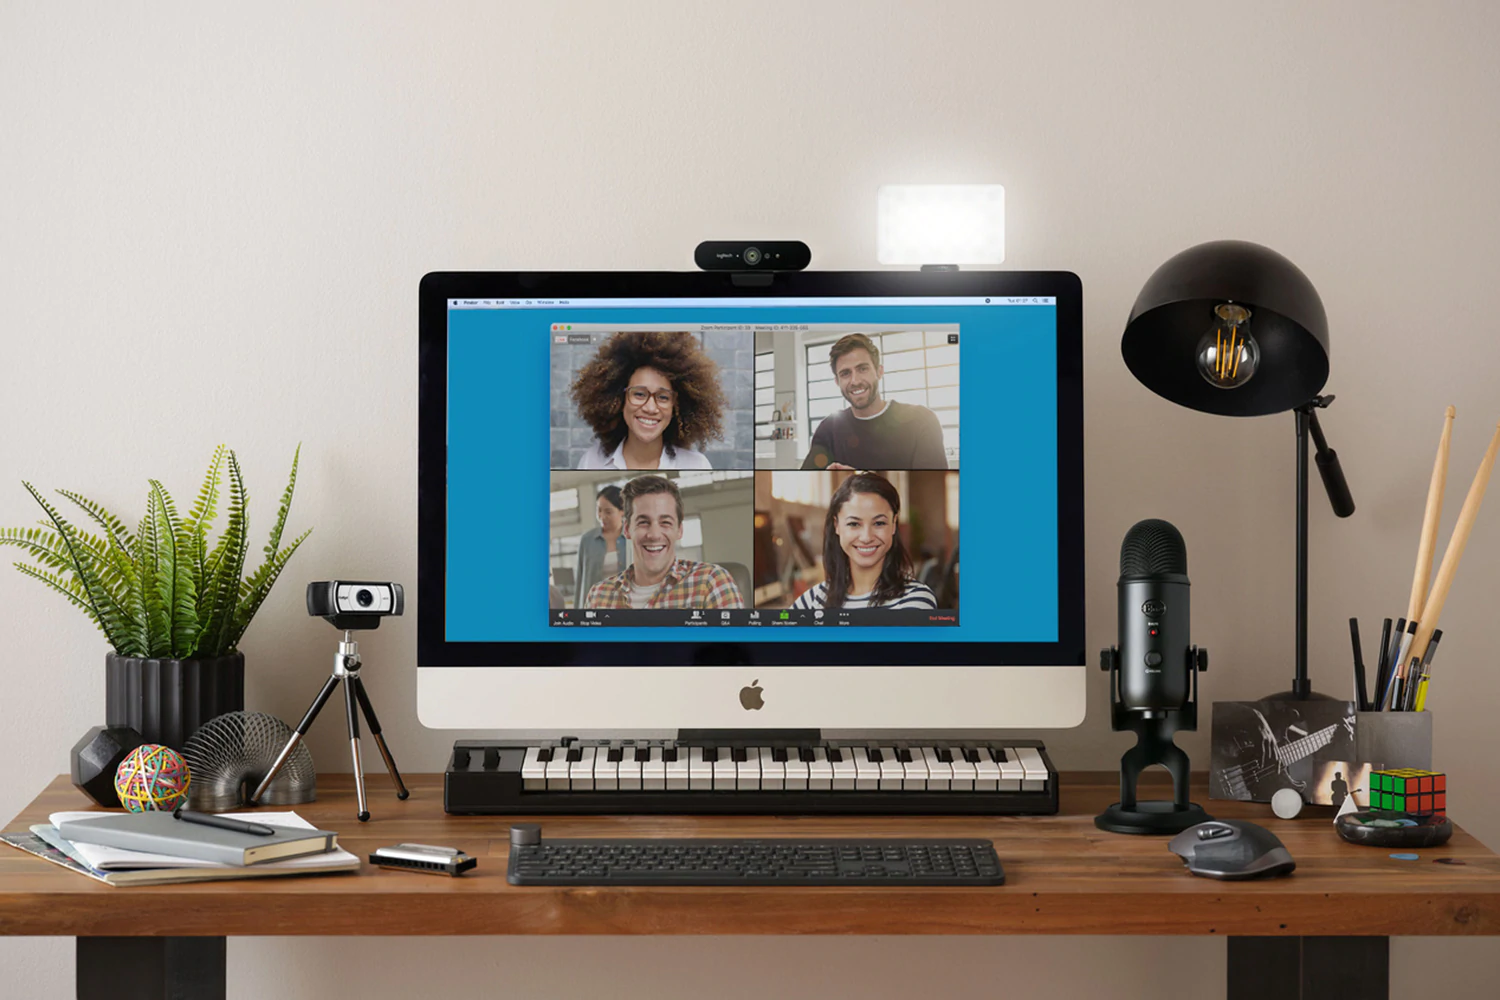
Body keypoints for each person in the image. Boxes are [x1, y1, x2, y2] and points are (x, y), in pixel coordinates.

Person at [584, 475, 744, 610]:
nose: (654, 535)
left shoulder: (711, 582)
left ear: (679, 530)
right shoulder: (598, 596)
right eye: (643, 522)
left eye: (665, 522)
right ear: (626, 529)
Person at [570, 331, 726, 470]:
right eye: (639, 394)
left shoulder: (696, 465)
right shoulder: (591, 462)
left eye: (663, 397)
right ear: (619, 399)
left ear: (676, 406)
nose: (651, 408)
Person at [801, 333, 948, 470]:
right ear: (837, 381)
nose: (855, 381)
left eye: (862, 369)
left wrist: (859, 478)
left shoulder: (921, 420)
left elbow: (933, 489)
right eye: (845, 373)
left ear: (879, 371)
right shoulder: (828, 430)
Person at [791, 472, 937, 610]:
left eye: (879, 523)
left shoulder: (916, 599)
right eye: (854, 524)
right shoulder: (812, 601)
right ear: (837, 526)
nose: (866, 537)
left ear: (894, 524)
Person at [572, 485, 629, 608]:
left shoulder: (633, 538)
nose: (602, 516)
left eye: (608, 512)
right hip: (595, 607)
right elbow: (580, 581)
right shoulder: (587, 540)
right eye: (599, 510)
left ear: (622, 510)